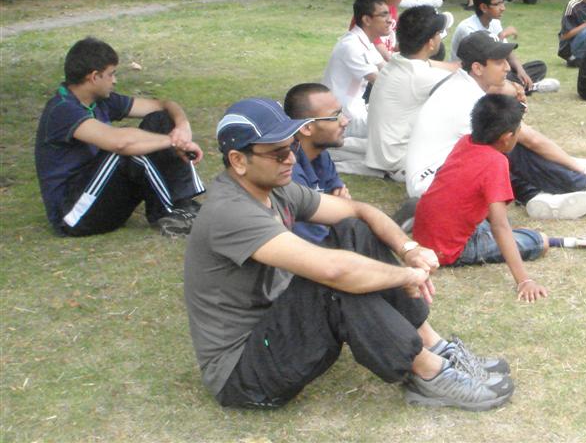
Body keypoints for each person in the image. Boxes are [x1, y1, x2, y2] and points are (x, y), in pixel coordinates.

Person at [184, 97, 514, 411]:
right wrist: (405, 275)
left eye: (291, 146)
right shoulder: (230, 213)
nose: (291, 159)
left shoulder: (276, 189)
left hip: (275, 327)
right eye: (277, 153)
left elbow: (358, 210)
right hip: (244, 374)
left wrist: (408, 248)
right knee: (335, 286)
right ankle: (429, 373)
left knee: (351, 231)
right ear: (239, 160)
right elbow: (334, 272)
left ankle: (434, 345)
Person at [406, 33, 586, 218]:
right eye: (499, 62)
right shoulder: (466, 100)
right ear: (477, 68)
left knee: (497, 144)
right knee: (507, 141)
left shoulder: (462, 86)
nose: (506, 68)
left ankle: (538, 198)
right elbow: (531, 140)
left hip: (430, 180)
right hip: (433, 188)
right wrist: (579, 168)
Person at [34, 37, 205, 238]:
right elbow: (119, 142)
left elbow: (164, 105)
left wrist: (182, 126)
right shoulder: (62, 110)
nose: (115, 80)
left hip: (102, 197)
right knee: (124, 154)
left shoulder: (101, 100)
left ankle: (183, 205)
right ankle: (169, 214)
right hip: (73, 215)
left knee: (161, 120)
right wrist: (173, 141)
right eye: (111, 74)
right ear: (94, 77)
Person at [412, 94, 549, 302]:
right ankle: (530, 240)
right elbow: (499, 225)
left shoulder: (464, 142)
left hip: (427, 235)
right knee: (539, 241)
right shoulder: (496, 162)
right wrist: (524, 280)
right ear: (507, 137)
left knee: (505, 229)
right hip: (450, 250)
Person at [365, 6, 457, 181]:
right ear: (431, 43)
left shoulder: (399, 61)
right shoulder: (420, 75)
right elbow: (474, 86)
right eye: (439, 33)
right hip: (400, 162)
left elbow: (453, 68)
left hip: (386, 154)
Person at [323, 0, 388, 172]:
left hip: (356, 110)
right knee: (391, 136)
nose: (390, 20)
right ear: (367, 19)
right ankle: (329, 150)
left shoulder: (365, 42)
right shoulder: (351, 46)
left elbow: (387, 69)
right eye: (383, 15)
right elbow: (383, 82)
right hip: (345, 116)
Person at [282, 83, 351, 244]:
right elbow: (316, 241)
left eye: (341, 113)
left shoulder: (321, 155)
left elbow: (341, 198)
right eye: (335, 116)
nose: (345, 121)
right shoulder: (287, 172)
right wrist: (338, 209)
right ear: (306, 128)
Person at [450, 0, 552, 93]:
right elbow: (486, 58)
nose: (503, 8)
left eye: (502, 3)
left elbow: (507, 53)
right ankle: (521, 88)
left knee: (539, 66)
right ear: (484, 7)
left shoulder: (494, 22)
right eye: (497, 4)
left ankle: (517, 85)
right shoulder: (468, 28)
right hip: (472, 74)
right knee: (502, 75)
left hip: (490, 68)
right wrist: (502, 36)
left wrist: (521, 71)